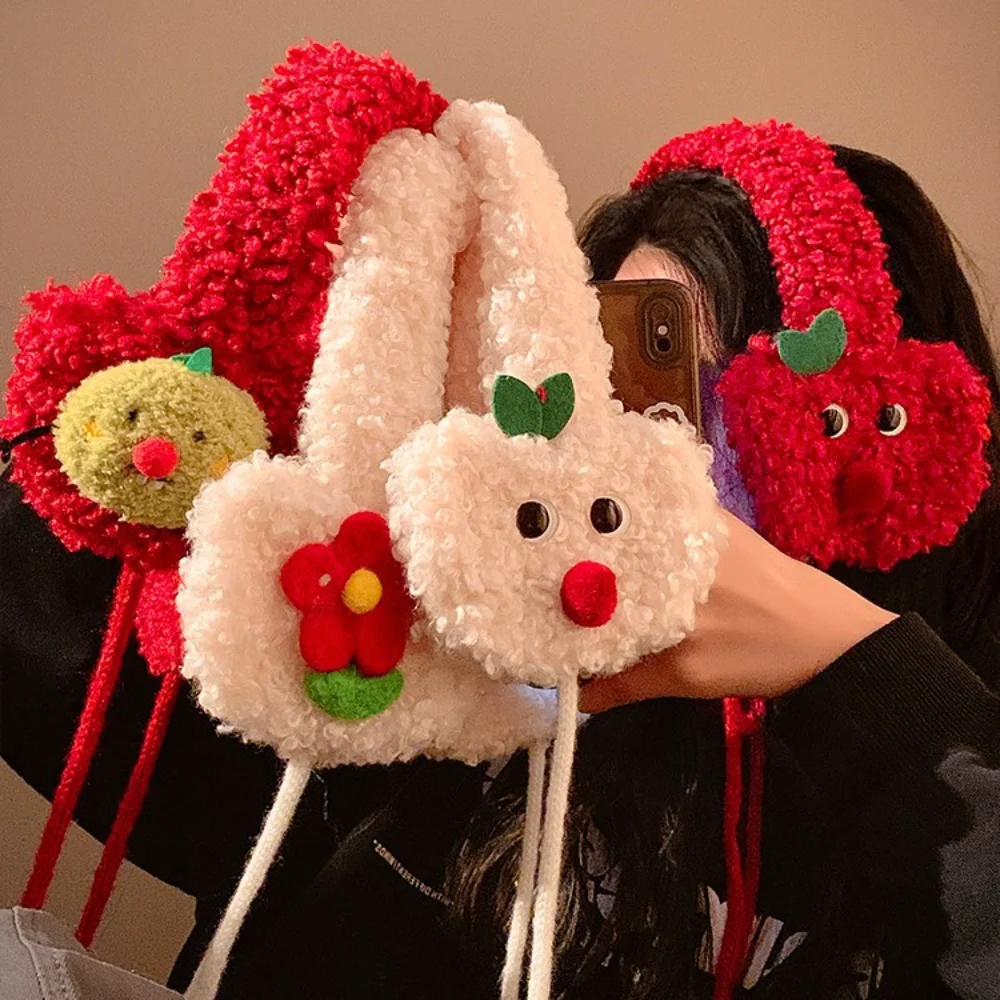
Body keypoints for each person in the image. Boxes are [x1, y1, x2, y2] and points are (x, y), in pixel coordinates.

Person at [2, 126, 998, 1000]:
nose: (655, 460)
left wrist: (857, 672)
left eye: (724, 406)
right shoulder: (451, 684)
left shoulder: (950, 755)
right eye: (630, 389)